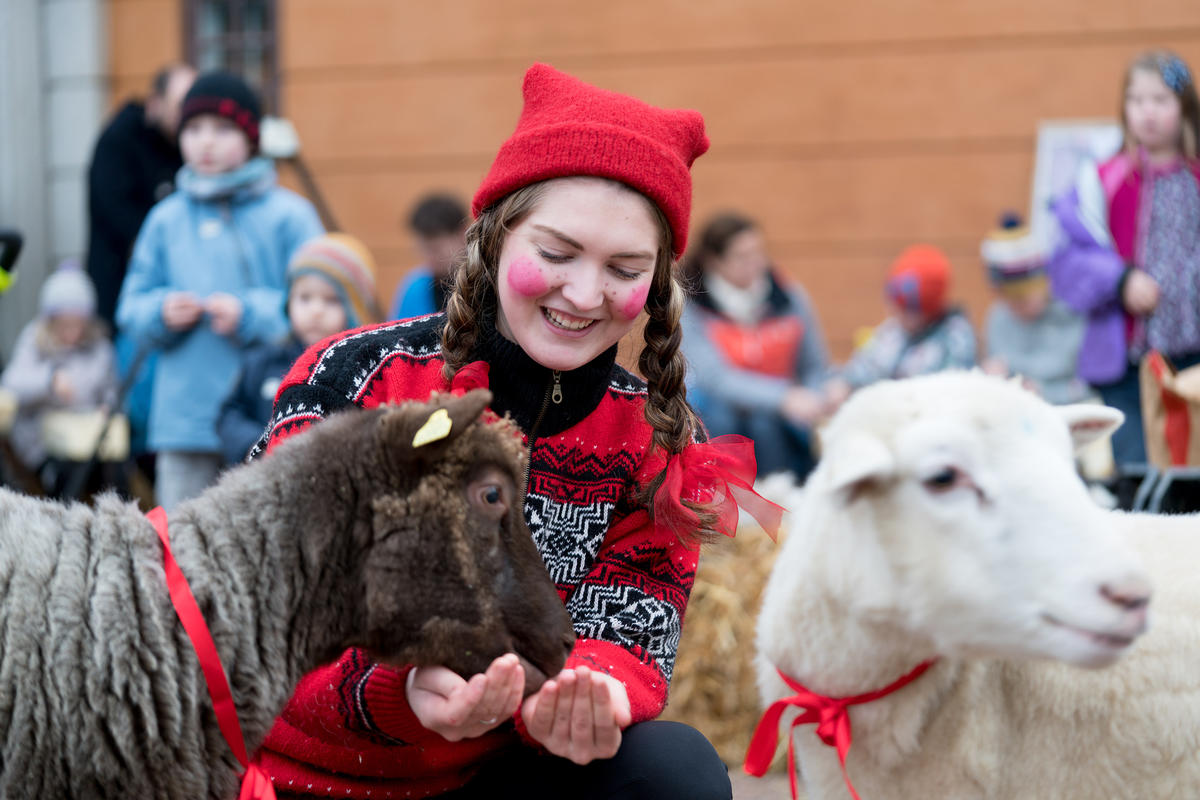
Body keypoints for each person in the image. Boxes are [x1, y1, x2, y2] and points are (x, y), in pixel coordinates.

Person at [249, 63, 769, 799]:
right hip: (316, 775)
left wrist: (588, 695)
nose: (584, 295)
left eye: (623, 268)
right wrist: (404, 688)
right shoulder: (358, 380)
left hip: (497, 773)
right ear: (495, 238)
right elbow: (261, 618)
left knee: (673, 771)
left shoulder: (650, 438)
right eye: (556, 254)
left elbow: (632, 629)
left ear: (656, 284)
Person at [116, 70, 323, 511]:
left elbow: (327, 306)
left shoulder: (291, 216)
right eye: (193, 128)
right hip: (184, 423)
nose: (205, 142)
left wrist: (253, 315)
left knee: (266, 541)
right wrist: (160, 312)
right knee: (182, 544)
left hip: (267, 418)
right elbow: (130, 307)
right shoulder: (165, 219)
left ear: (251, 137)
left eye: (222, 129)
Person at [1049, 49, 1200, 466]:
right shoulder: (1104, 179)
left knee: (1189, 470)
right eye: (1136, 100)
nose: (1147, 112)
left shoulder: (1195, 177)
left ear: (1184, 107)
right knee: (1134, 468)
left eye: (1160, 100)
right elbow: (1067, 260)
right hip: (1128, 362)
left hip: (1193, 359)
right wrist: (1120, 280)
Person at [680, 212, 830, 478]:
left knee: (767, 423)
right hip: (720, 411)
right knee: (728, 417)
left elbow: (815, 364)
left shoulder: (788, 296)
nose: (756, 263)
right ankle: (723, 497)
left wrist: (815, 398)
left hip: (780, 415)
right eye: (742, 256)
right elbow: (716, 380)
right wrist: (783, 397)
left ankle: (780, 495)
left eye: (759, 252)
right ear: (715, 261)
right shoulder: (693, 305)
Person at [217, 233, 380, 465]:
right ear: (288, 302)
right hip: (261, 478)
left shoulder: (362, 370)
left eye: (331, 300)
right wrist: (253, 444)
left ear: (354, 310)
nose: (316, 310)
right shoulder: (264, 361)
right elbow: (230, 414)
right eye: (305, 298)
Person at [86, 63, 196, 329]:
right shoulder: (119, 140)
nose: (189, 115)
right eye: (181, 104)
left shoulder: (181, 143)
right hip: (120, 279)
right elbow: (117, 211)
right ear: (156, 103)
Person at [0, 261, 117, 496]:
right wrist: (49, 381)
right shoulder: (34, 340)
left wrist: (108, 407)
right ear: (50, 320)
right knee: (66, 475)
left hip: (88, 438)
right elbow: (11, 385)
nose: (71, 333)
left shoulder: (99, 346)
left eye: (78, 325)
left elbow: (112, 388)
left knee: (115, 470)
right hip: (42, 443)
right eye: (64, 325)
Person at [827, 244, 977, 401]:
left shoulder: (954, 338)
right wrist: (842, 383)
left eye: (907, 310)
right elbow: (863, 368)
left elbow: (946, 393)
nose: (895, 312)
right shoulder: (893, 331)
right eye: (895, 303)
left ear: (928, 310)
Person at [980, 213, 1089, 405]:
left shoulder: (1069, 314)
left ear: (1045, 284)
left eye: (1022, 300)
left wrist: (1042, 391)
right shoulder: (999, 317)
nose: (1016, 308)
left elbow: (1086, 386)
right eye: (1009, 301)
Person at [388, 192, 469, 319]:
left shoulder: (483, 282)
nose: (428, 257)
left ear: (462, 235)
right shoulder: (414, 288)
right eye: (422, 249)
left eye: (435, 249)